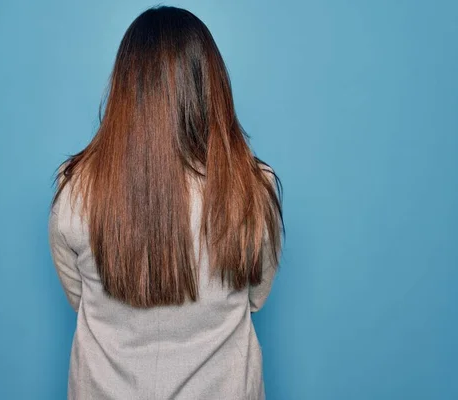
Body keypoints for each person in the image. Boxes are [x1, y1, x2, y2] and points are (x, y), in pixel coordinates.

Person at [48, 5, 284, 400]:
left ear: (125, 87)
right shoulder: (255, 187)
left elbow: (79, 297)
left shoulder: (75, 187)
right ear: (211, 86)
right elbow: (256, 297)